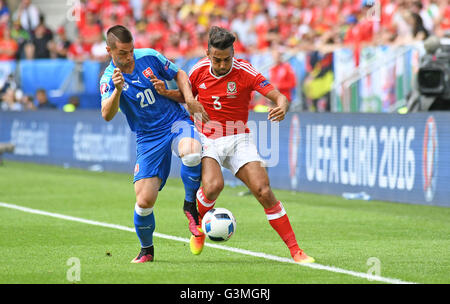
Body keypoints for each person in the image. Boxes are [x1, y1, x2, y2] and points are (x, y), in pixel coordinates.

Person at [158, 26, 314, 263]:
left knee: (263, 190)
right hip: (208, 137)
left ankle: (296, 250)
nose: (222, 65)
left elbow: (277, 95)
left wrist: (283, 106)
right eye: (217, 60)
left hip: (239, 137)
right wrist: (166, 92)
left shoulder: (245, 71)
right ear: (208, 54)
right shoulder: (198, 70)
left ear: (234, 53)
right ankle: (198, 227)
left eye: (227, 59)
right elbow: (187, 95)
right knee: (212, 187)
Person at [99, 25, 208, 263]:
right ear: (109, 51)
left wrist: (188, 99)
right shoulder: (109, 79)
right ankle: (147, 250)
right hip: (148, 137)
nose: (128, 57)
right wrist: (117, 91)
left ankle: (190, 206)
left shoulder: (148, 56)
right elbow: (106, 114)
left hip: (174, 121)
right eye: (122, 54)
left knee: (191, 153)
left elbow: (178, 73)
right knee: (144, 202)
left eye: (130, 51)